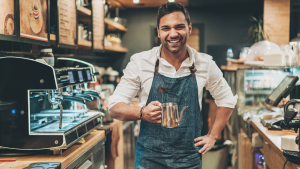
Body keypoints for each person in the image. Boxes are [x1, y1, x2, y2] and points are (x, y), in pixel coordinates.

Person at [108, 2, 237, 169]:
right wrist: (142, 112)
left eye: (179, 27)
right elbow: (114, 107)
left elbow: (227, 99)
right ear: (159, 32)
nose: (173, 33)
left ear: (189, 28)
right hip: (149, 160)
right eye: (166, 28)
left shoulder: (204, 63)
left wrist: (213, 136)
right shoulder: (141, 62)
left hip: (189, 159)